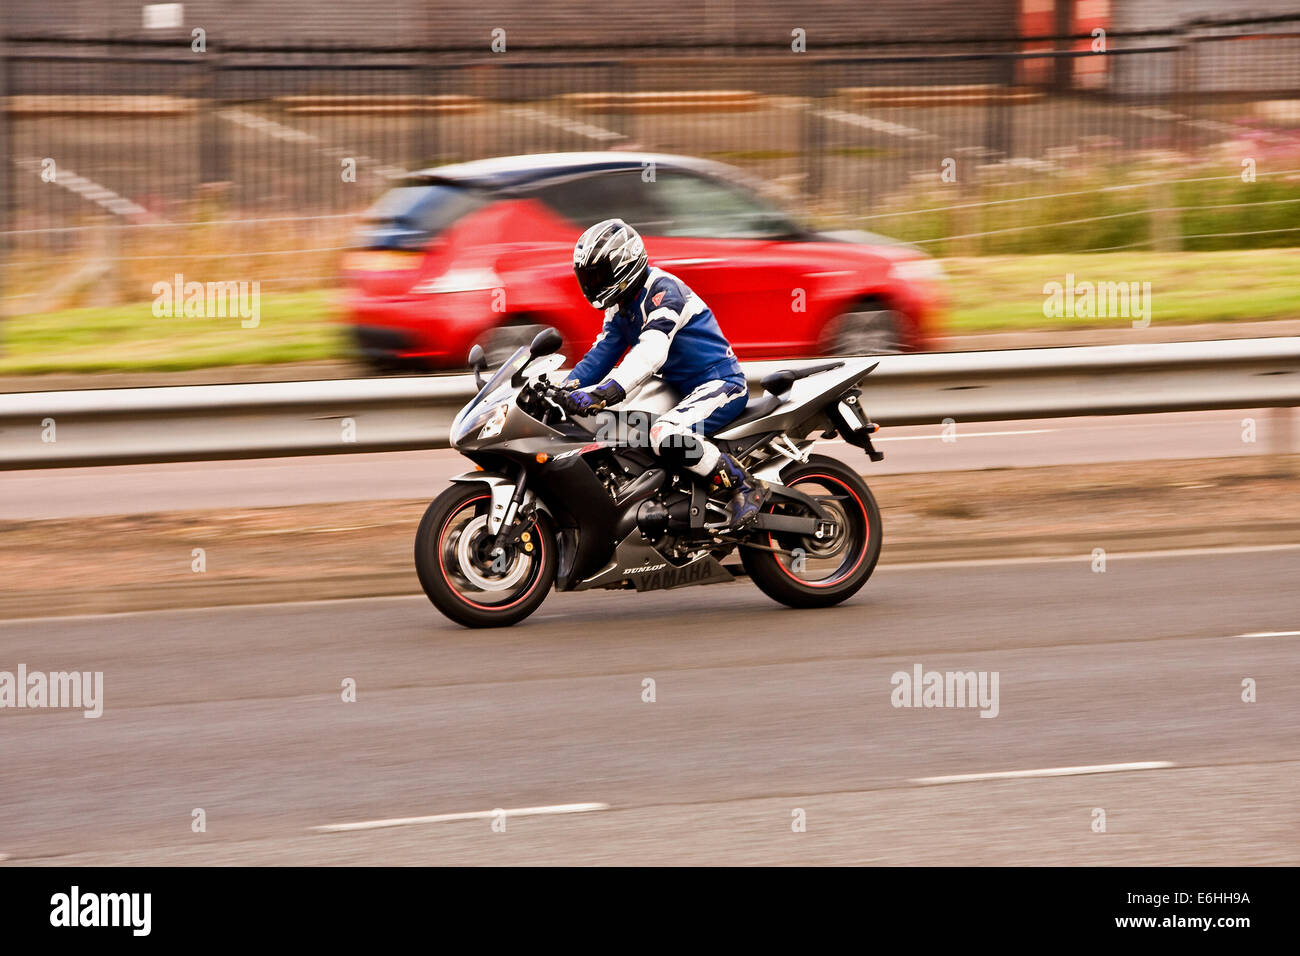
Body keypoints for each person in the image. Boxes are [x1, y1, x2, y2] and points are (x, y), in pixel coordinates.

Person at [558, 218, 767, 530]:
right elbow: (600, 355)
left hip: (720, 383)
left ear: (624, 265)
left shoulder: (664, 292)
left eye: (599, 274)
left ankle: (743, 485)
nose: (592, 283)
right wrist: (561, 388)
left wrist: (607, 391)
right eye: (588, 276)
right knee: (618, 425)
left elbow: (651, 351)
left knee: (664, 435)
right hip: (678, 388)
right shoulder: (621, 306)